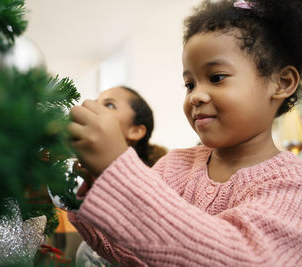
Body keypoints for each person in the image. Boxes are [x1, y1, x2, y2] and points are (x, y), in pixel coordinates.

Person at [67, 0, 302, 266]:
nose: (196, 96)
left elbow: (242, 258)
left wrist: (117, 167)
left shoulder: (292, 184)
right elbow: (131, 250)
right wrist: (94, 181)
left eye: (216, 77)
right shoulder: (174, 166)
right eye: (189, 84)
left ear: (282, 83)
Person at [73, 86, 168, 266]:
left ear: (136, 131)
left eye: (109, 105)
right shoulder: (86, 177)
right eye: (95, 102)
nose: (92, 108)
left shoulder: (158, 183)